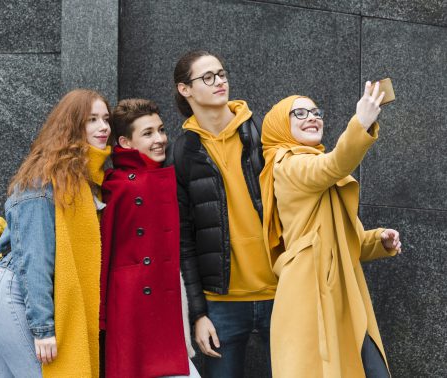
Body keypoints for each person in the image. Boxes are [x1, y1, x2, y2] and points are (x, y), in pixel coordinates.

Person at [259, 82, 402, 378]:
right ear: (279, 126)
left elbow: (348, 241)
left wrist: (379, 241)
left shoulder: (316, 169)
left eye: (315, 111)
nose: (312, 117)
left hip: (342, 291)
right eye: (298, 113)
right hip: (309, 292)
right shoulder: (288, 164)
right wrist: (361, 122)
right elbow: (334, 164)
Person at [0, 89, 112, 378]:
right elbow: (34, 256)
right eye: (92, 119)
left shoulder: (85, 181)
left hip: (29, 295)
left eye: (105, 119)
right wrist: (43, 329)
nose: (104, 127)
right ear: (71, 126)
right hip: (16, 293)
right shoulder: (42, 180)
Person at [166, 50, 278, 378]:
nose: (220, 82)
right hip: (222, 304)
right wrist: (198, 315)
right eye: (208, 77)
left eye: (222, 74)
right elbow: (184, 244)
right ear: (185, 90)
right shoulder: (182, 153)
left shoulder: (261, 133)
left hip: (282, 293)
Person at [99, 98, 200, 378]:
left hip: (158, 312)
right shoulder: (121, 187)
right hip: (134, 314)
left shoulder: (150, 180)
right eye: (148, 133)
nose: (160, 139)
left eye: (161, 130)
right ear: (125, 143)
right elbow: (104, 254)